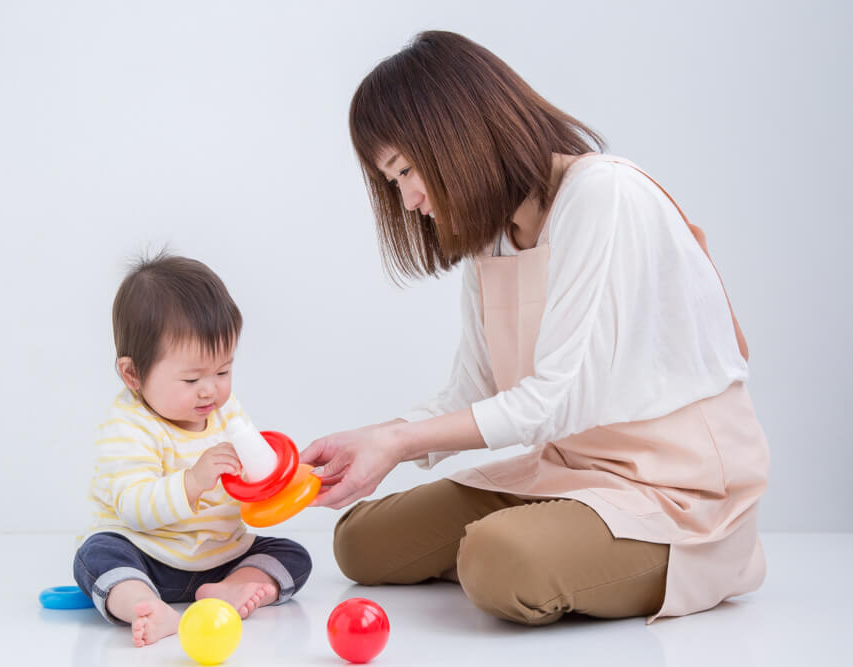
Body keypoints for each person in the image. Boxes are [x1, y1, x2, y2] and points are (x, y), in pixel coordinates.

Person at [302, 30, 769, 626]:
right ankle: (564, 546)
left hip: (676, 489)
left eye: (407, 170)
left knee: (498, 563)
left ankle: (710, 560)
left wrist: (397, 444)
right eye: (394, 182)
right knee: (361, 542)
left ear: (456, 134)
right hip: (568, 472)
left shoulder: (603, 194)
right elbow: (470, 394)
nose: (410, 198)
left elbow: (553, 402)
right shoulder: (490, 237)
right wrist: (378, 441)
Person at [73, 252, 311, 647]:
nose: (210, 389)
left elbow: (254, 484)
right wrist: (192, 482)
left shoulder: (225, 411)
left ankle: (228, 588)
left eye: (222, 371)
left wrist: (281, 475)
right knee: (95, 557)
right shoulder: (128, 426)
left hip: (220, 556)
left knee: (293, 555)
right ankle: (145, 606)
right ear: (133, 374)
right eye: (191, 378)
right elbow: (133, 507)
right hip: (147, 555)